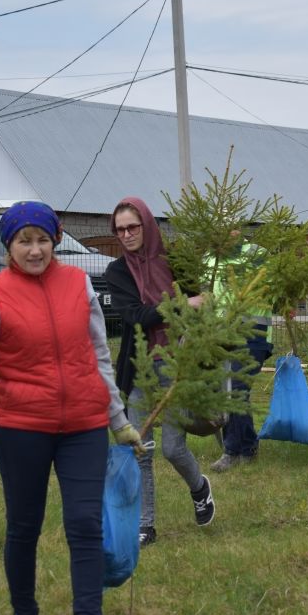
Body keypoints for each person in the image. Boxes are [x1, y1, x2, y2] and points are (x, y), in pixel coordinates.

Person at [0, 201, 143, 615]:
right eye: (24, 241)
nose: (34, 250)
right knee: (24, 527)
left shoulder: (78, 284)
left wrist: (118, 420)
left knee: (85, 524)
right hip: (21, 429)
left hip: (84, 425)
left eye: (42, 239)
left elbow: (99, 356)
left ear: (55, 240)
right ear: (9, 245)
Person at [104, 197, 214, 547]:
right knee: (142, 449)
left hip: (180, 367)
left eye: (132, 227)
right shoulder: (117, 273)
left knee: (172, 448)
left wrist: (194, 320)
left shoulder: (176, 262)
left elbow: (205, 304)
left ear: (147, 225)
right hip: (141, 370)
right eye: (120, 230)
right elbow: (136, 316)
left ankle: (199, 487)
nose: (126, 235)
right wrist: (183, 304)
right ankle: (145, 525)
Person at [210, 233, 274, 471]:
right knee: (230, 392)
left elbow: (277, 285)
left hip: (253, 333)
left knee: (236, 389)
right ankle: (247, 447)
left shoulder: (256, 253)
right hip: (219, 333)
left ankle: (231, 451)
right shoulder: (210, 258)